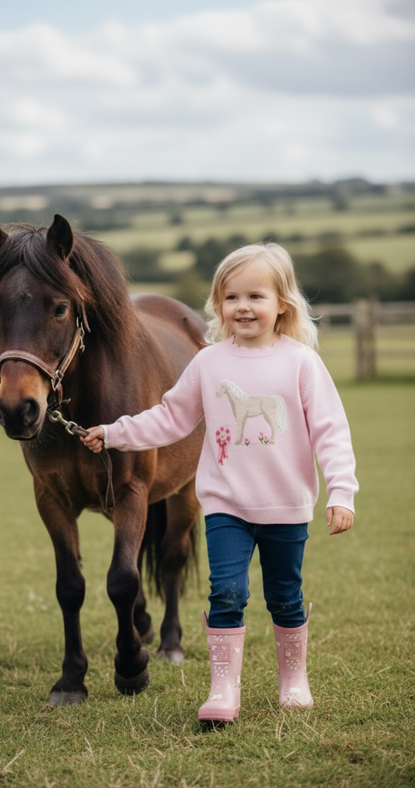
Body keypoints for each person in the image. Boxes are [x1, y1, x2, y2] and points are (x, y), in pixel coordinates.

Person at [83, 242, 358, 723]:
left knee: (285, 596)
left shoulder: (301, 363)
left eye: (256, 296)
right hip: (227, 508)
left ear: (282, 304)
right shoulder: (209, 363)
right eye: (232, 297)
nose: (243, 307)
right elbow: (170, 418)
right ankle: (223, 689)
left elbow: (330, 431)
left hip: (286, 508)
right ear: (218, 304)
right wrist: (113, 433)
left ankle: (293, 679)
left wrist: (341, 491)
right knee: (226, 593)